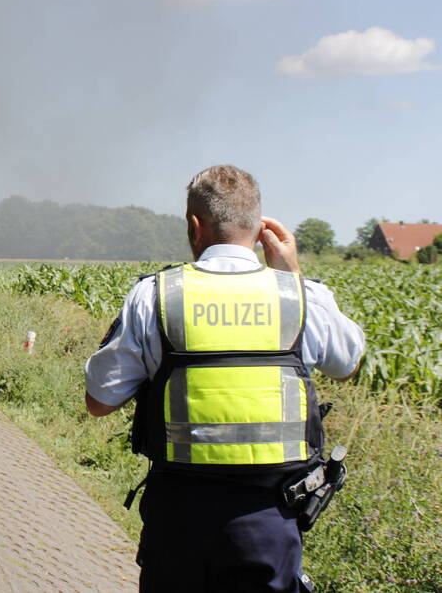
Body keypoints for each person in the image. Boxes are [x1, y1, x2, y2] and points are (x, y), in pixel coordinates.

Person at [84, 165, 365, 593]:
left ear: (194, 225)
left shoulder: (155, 295)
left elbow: (99, 401)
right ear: (259, 230)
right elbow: (347, 365)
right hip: (271, 519)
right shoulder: (299, 296)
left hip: (178, 521)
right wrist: (292, 271)